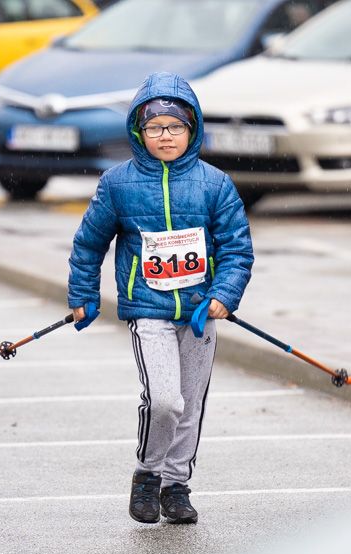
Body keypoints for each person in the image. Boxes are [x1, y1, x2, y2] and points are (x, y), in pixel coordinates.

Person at [67, 72, 254, 525]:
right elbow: (89, 243)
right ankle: (148, 474)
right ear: (138, 131)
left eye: (174, 126)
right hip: (148, 309)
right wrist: (83, 294)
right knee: (166, 400)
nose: (165, 136)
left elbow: (237, 247)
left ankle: (177, 485)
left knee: (191, 404)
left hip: (197, 313)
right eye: (154, 128)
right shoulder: (117, 183)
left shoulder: (215, 183)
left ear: (192, 129)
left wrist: (224, 295)